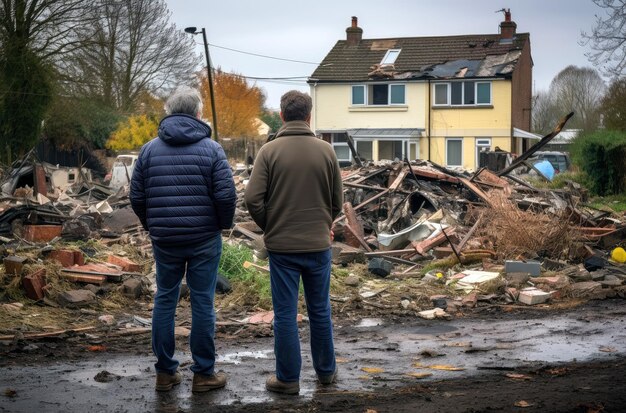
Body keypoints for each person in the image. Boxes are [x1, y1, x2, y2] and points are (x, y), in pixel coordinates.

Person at [130, 86, 236, 393]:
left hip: (165, 239)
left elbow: (136, 195)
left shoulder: (149, 150)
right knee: (203, 300)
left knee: (165, 297)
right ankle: (203, 374)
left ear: (168, 112)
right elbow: (226, 195)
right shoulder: (212, 149)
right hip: (204, 238)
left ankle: (165, 373)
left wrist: (152, 224)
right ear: (199, 114)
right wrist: (222, 224)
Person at [244, 90, 343, 394]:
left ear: (282, 115)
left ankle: (287, 379)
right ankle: (326, 373)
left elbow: (252, 199)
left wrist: (271, 224)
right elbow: (337, 201)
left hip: (283, 248)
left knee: (285, 314)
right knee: (320, 310)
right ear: (309, 116)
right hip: (317, 246)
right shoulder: (326, 151)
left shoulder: (269, 152)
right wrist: (324, 224)